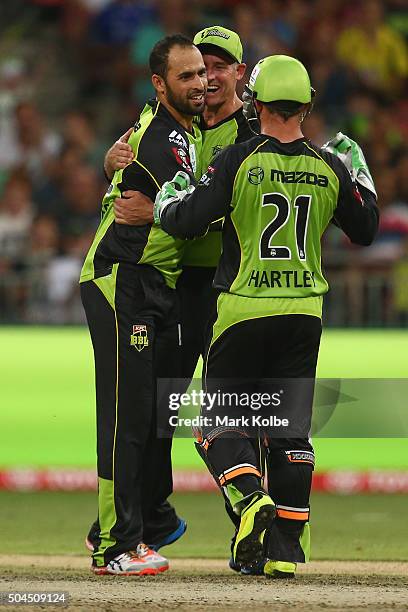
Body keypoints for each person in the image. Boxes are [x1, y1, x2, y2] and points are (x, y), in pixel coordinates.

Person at [152, 55, 379, 578]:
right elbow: (365, 228)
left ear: (254, 102)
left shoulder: (238, 157)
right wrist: (357, 170)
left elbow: (185, 220)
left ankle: (250, 496)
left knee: (213, 423)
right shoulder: (329, 165)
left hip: (241, 310)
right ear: (307, 104)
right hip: (304, 315)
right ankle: (285, 552)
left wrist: (167, 195)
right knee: (289, 432)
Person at [103, 26, 265, 573]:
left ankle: (253, 528)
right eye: (198, 67)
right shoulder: (179, 123)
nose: (207, 77)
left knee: (235, 412)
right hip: (172, 287)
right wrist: (110, 164)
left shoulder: (251, 131)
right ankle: (143, 517)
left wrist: (164, 213)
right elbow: (130, 163)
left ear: (240, 74)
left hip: (230, 289)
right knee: (156, 410)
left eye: (218, 66)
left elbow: (241, 206)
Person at [80, 34, 206, 575]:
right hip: (122, 280)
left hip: (151, 285)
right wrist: (119, 177)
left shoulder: (169, 127)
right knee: (125, 417)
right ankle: (114, 545)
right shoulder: (160, 138)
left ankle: (129, 528)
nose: (200, 83)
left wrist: (121, 178)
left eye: (202, 72)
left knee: (144, 416)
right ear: (160, 84)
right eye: (187, 76)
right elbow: (188, 204)